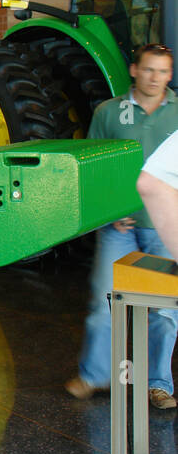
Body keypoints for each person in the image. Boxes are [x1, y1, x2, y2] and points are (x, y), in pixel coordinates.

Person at [67, 44, 178, 410]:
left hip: (164, 228)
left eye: (162, 71)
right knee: (105, 302)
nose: (155, 78)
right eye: (148, 70)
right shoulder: (109, 113)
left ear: (170, 74)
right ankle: (95, 376)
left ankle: (158, 385)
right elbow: (91, 167)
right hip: (120, 229)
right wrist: (109, 210)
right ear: (134, 70)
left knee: (164, 310)